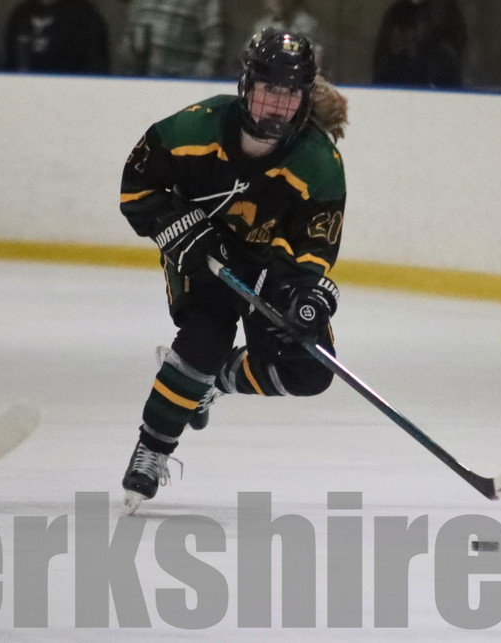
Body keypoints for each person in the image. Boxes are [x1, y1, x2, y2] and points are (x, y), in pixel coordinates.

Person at [117, 29, 349, 512]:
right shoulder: (194, 128)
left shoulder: (319, 162)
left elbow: (314, 245)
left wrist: (307, 295)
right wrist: (176, 226)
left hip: (271, 266)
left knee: (309, 369)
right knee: (203, 340)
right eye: (268, 90)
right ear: (246, 86)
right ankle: (153, 446)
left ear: (305, 98)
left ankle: (215, 380)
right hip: (201, 249)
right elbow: (137, 189)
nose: (277, 105)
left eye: (290, 94)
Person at [372, 0, 467, 88]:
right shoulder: (394, 13)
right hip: (394, 93)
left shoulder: (447, 13)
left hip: (431, 94)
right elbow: (380, 62)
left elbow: (448, 66)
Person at [123, 0, 226, 78]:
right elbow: (129, 37)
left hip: (183, 84)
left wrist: (190, 86)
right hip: (141, 82)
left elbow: (215, 53)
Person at [4, 0, 109, 74]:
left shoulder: (87, 17)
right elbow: (10, 60)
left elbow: (97, 65)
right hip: (23, 82)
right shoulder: (22, 14)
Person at [250, 0, 326, 69]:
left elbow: (306, 51)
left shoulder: (307, 24)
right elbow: (250, 50)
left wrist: (275, 46)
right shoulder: (261, 25)